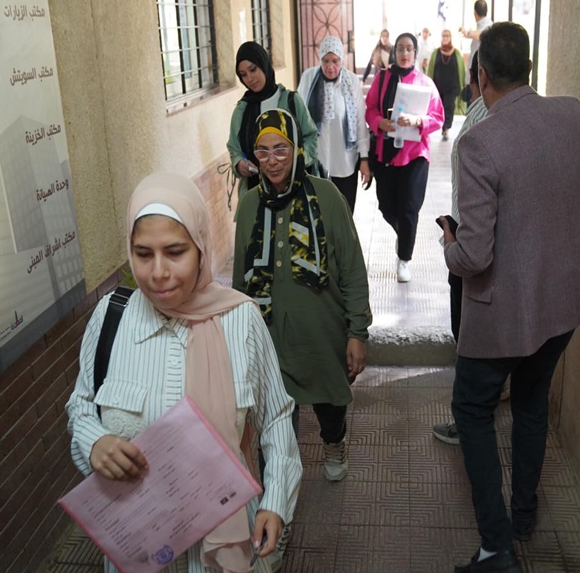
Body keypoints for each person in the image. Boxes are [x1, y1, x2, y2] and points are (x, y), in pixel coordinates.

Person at [66, 172, 302, 573]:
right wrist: (94, 442)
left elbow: (276, 418)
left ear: (201, 249)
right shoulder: (111, 320)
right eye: (143, 254)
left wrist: (275, 501)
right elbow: (81, 406)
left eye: (175, 252)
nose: (158, 272)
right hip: (139, 545)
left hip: (226, 548)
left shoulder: (240, 321)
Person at [440, 22, 580, 572]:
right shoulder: (574, 114)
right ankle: (524, 515)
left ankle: (496, 546)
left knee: (471, 409)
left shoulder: (480, 141)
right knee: (531, 403)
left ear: (480, 76)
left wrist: (449, 245)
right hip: (564, 302)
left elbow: (476, 257)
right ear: (528, 66)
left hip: (506, 312)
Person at [233, 108, 371, 483]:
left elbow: (353, 269)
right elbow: (239, 282)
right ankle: (280, 497)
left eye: (281, 149)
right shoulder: (248, 205)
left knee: (330, 406)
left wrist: (357, 332)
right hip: (269, 336)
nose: (272, 161)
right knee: (275, 429)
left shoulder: (325, 197)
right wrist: (237, 340)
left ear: (296, 149)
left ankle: (334, 441)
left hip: (321, 333)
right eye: (262, 151)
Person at [431, 51, 490, 446]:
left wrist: (455, 240)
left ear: (480, 75)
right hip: (470, 234)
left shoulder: (490, 118)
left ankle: (467, 422)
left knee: (467, 334)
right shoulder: (483, 109)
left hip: (472, 243)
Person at [365, 32, 444, 283]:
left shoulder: (425, 83)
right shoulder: (382, 78)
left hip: (415, 155)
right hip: (386, 153)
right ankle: (403, 233)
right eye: (400, 48)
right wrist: (381, 123)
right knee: (386, 205)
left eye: (410, 49)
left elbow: (438, 118)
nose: (405, 53)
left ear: (415, 52)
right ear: (394, 51)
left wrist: (418, 121)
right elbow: (371, 110)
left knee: (409, 208)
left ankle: (404, 259)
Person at [228, 41, 318, 202]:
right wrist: (239, 164)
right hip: (255, 196)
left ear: (264, 64)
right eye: (243, 74)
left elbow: (311, 137)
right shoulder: (242, 109)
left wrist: (297, 161)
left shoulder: (291, 101)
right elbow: (234, 148)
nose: (249, 78)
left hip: (295, 193)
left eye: (253, 69)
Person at [296, 37, 370, 213]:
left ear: (341, 60)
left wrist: (364, 159)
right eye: (326, 61)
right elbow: (298, 115)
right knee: (318, 219)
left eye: (335, 61)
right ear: (320, 59)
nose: (330, 66)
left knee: (343, 216)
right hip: (315, 164)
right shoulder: (308, 78)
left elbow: (360, 122)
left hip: (345, 164)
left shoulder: (351, 81)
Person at [426, 29, 466, 141]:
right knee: (440, 108)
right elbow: (430, 70)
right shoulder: (436, 52)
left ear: (450, 38)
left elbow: (461, 70)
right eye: (443, 36)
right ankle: (441, 126)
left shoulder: (456, 53)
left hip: (452, 86)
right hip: (438, 86)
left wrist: (463, 84)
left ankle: (446, 128)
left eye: (447, 36)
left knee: (449, 107)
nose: (445, 38)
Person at [460, 0, 493, 105]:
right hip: (476, 75)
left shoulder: (487, 25)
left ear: (475, 12)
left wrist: (468, 33)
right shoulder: (481, 25)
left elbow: (482, 34)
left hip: (479, 77)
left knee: (474, 109)